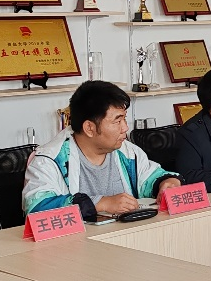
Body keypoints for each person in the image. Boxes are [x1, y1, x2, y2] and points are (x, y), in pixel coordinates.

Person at [23, 81, 181, 220]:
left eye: (124, 118)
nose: (125, 128)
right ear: (89, 128)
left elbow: (151, 177)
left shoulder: (127, 152)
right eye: (117, 121)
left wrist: (167, 183)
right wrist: (100, 204)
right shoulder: (48, 160)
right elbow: (36, 209)